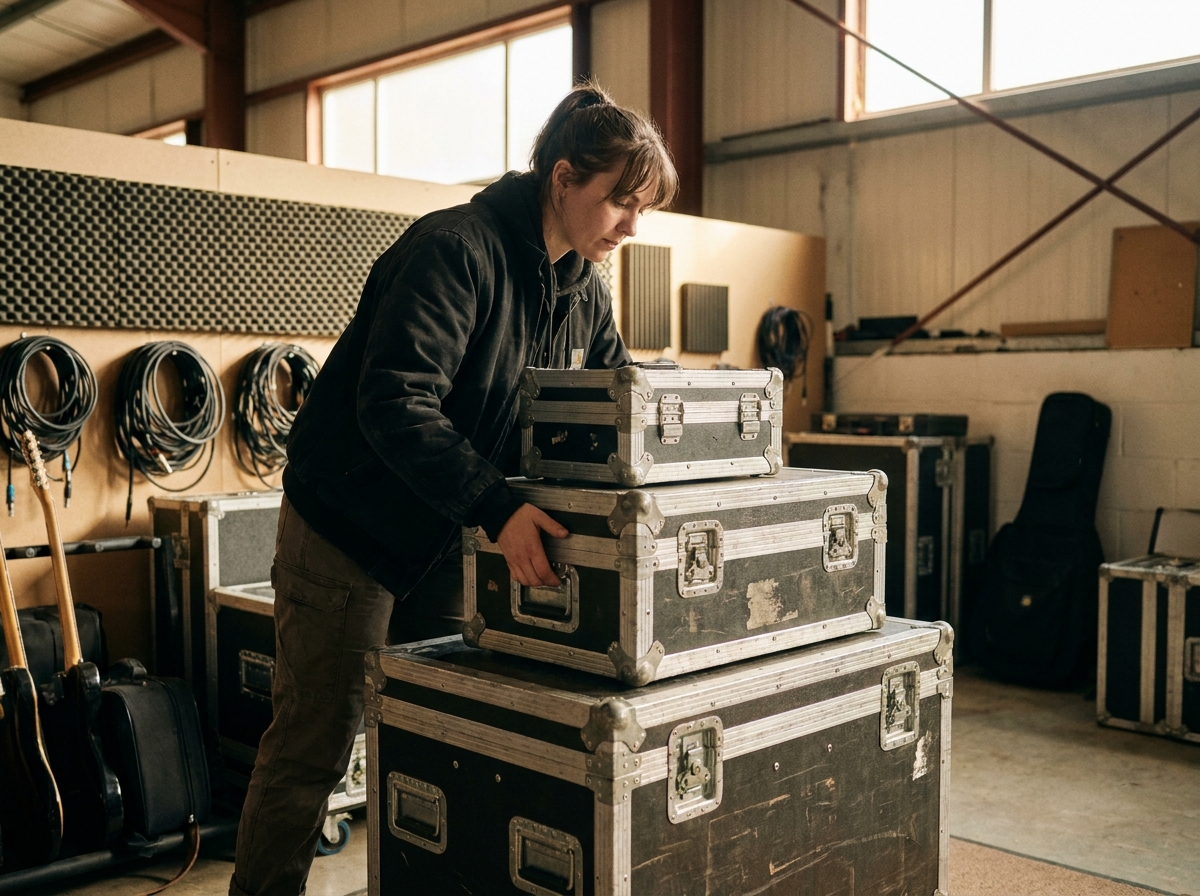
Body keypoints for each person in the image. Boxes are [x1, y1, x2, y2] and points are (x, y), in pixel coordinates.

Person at [229, 81, 679, 895]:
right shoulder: (455, 249)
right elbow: (392, 401)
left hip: (444, 535)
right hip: (350, 532)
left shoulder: (584, 287)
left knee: (442, 735)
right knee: (313, 751)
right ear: (565, 179)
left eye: (643, 210)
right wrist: (498, 508)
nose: (631, 227)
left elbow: (616, 399)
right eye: (621, 202)